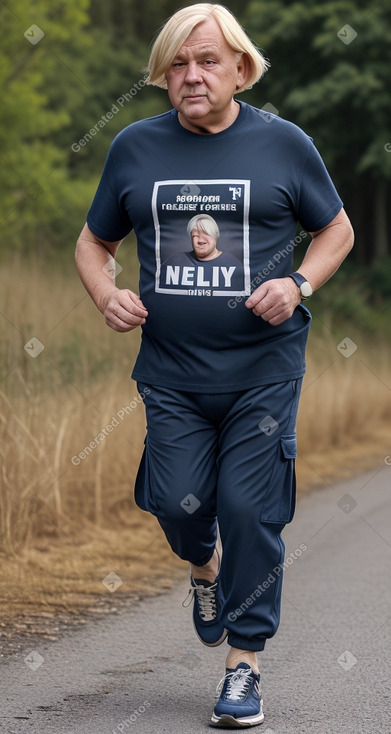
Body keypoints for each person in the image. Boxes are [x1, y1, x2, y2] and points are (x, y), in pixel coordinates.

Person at [75, 3, 354, 728]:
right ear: (163, 75)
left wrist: (297, 284)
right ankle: (203, 569)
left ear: (240, 68)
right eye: (177, 64)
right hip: (169, 374)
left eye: (206, 61)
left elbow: (335, 228)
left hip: (263, 368)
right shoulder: (136, 148)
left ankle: (243, 665)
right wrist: (105, 293)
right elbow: (91, 242)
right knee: (176, 504)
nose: (190, 75)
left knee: (250, 510)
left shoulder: (284, 145)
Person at [160, 214, 244, 294]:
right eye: (195, 235)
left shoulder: (232, 264)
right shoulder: (175, 261)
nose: (200, 240)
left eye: (206, 234)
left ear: (215, 236)